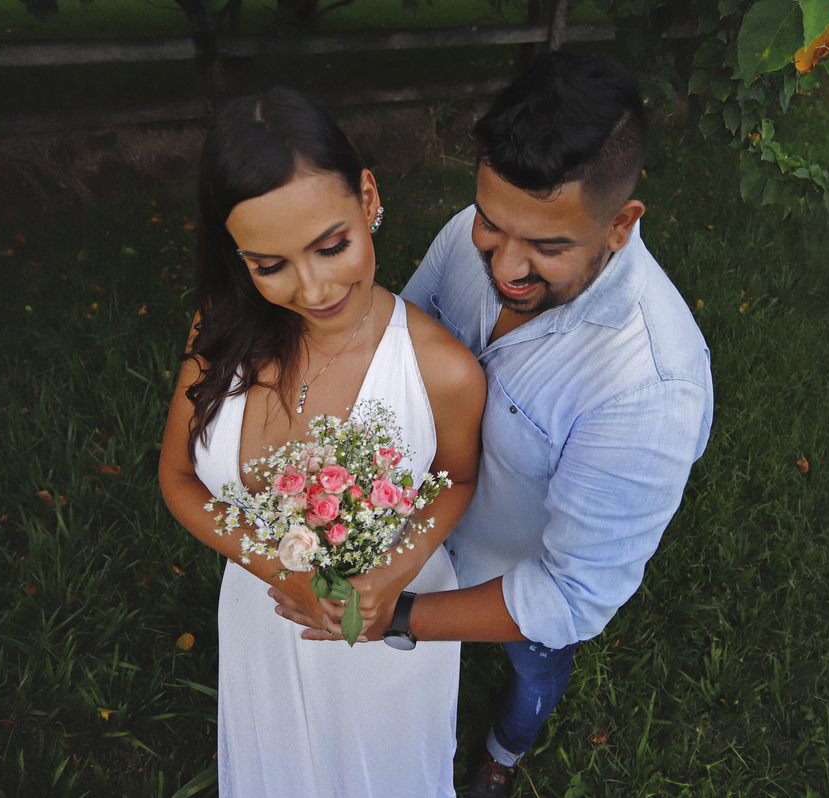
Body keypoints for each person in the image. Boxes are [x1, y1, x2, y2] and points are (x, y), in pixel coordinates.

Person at [272, 51, 714, 797]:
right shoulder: (466, 235)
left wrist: (400, 617)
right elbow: (402, 340)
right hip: (416, 533)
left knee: (536, 667)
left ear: (620, 224)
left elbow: (570, 597)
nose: (505, 267)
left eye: (548, 247)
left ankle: (503, 755)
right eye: (492, 222)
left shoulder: (648, 393)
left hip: (509, 582)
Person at [158, 87, 486, 798]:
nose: (312, 289)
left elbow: (458, 479)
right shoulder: (219, 327)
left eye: (331, 246)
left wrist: (390, 574)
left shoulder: (443, 371)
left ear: (368, 197)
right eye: (269, 264)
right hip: (262, 622)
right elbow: (178, 476)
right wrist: (279, 570)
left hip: (381, 639)